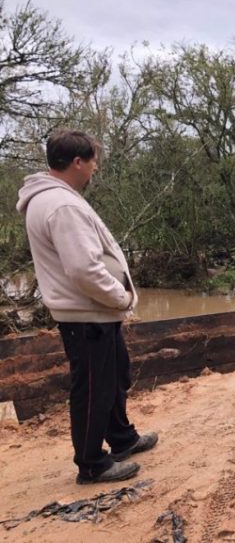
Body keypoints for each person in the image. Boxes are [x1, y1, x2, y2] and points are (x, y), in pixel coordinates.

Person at [17, 130, 158, 485]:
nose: (95, 168)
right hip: (88, 313)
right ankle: (92, 463)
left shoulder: (56, 198)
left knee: (114, 377)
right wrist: (119, 296)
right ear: (77, 162)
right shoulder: (61, 205)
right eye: (93, 161)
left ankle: (122, 438)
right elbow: (83, 268)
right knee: (94, 389)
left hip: (94, 312)